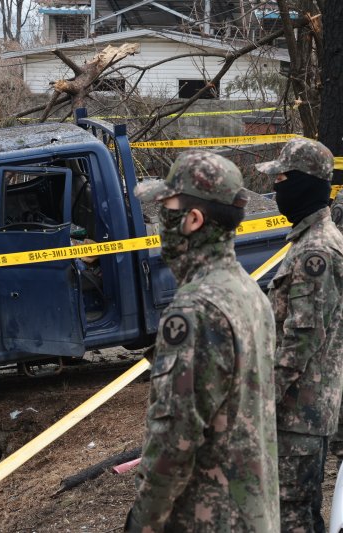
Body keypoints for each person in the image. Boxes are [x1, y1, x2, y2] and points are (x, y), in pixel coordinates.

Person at [126, 151, 278, 532]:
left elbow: (174, 440)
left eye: (166, 207)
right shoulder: (248, 290)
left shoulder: (196, 309)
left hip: (210, 518)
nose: (160, 219)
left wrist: (141, 522)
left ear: (193, 220)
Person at [255, 137, 343, 532]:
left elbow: (300, 340)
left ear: (306, 183)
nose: (276, 187)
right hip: (301, 409)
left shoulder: (316, 253)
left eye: (283, 178)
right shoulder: (312, 242)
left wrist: (260, 404)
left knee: (292, 516)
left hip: (297, 412)